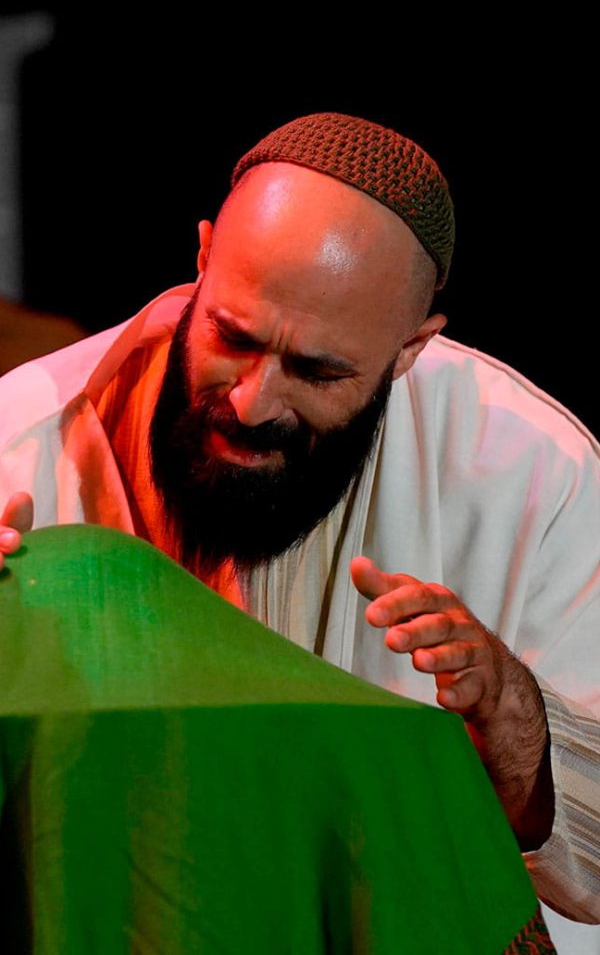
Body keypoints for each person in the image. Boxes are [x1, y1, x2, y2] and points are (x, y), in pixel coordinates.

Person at [1, 113, 599, 948]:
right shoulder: (19, 438)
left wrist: (512, 718)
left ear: (411, 348)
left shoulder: (536, 475)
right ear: (203, 259)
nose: (252, 403)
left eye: (316, 371)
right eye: (231, 337)